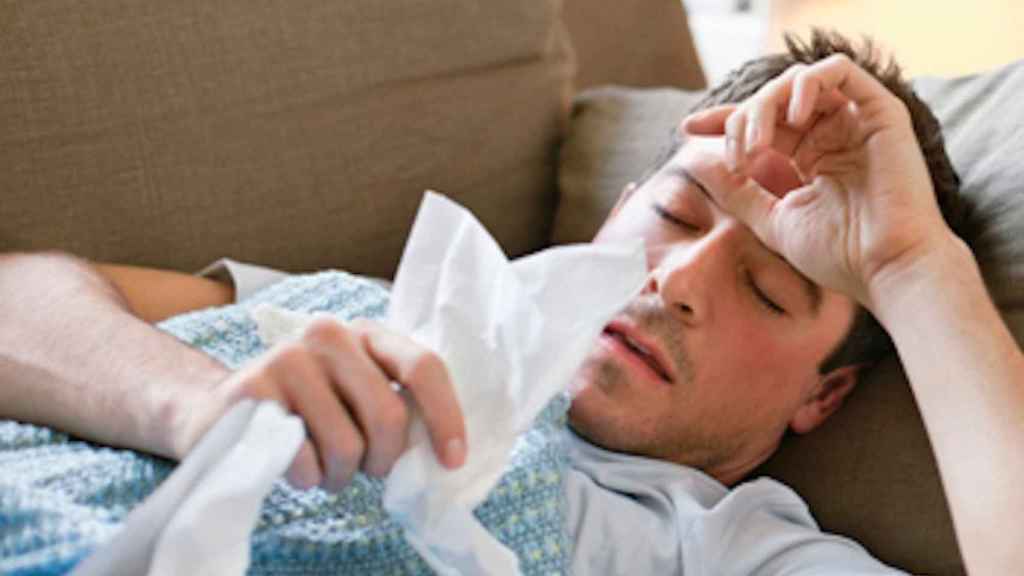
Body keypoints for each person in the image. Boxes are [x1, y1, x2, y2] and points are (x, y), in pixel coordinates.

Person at [1, 31, 1021, 573]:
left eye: (767, 288)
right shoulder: (370, 307)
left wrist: (908, 267)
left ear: (823, 397)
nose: (677, 282)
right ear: (616, 212)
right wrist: (195, 405)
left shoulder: (711, 546)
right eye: (673, 213)